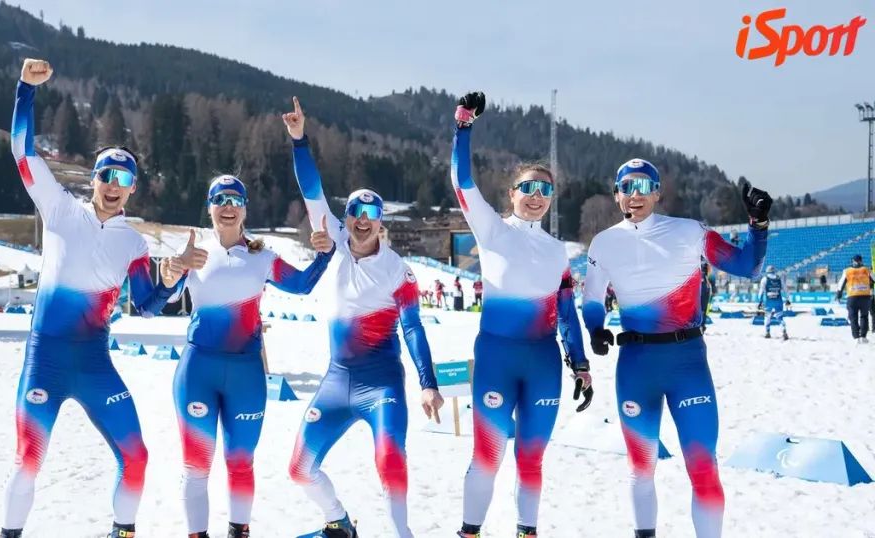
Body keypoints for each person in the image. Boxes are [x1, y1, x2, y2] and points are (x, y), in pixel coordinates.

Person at [1, 59, 176, 538]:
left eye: (124, 179)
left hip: (96, 364)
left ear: (133, 188)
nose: (114, 187)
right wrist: (25, 90)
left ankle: (123, 532)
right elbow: (21, 150)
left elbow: (148, 305)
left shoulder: (134, 243)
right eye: (107, 176)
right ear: (93, 179)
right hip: (46, 361)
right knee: (28, 460)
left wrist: (172, 278)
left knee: (136, 456)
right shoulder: (59, 208)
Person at [282, 96, 444, 538]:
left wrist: (428, 383)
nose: (362, 220)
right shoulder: (333, 241)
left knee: (389, 461)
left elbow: (412, 327)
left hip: (382, 383)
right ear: (347, 217)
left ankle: (401, 534)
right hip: (337, 381)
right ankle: (339, 523)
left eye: (372, 213)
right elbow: (311, 189)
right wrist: (299, 140)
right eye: (356, 211)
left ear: (380, 221)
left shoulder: (397, 269)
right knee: (299, 468)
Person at [582, 159, 771, 538]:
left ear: (657, 193)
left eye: (643, 186)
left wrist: (758, 225)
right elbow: (592, 298)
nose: (635, 195)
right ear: (616, 194)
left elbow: (748, 266)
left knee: (703, 467)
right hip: (636, 367)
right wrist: (595, 328)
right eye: (627, 187)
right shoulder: (604, 243)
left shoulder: (689, 231)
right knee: (641, 468)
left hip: (688, 365)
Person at [160, 175, 335, 538]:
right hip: (198, 371)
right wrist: (170, 268)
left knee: (240, 463)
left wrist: (326, 253)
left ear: (244, 209)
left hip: (246, 375)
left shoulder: (262, 258)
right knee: (196, 466)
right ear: (209, 207)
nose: (228, 207)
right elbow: (163, 298)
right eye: (220, 199)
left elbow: (302, 284)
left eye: (235, 200)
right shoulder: (195, 254)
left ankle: (238, 533)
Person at [448, 92, 591, 538]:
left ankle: (526, 532)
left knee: (531, 460)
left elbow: (565, 312)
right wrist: (463, 125)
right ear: (512, 194)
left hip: (543, 364)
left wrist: (581, 363)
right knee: (487, 456)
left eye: (545, 190)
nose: (536, 196)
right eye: (527, 187)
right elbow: (460, 180)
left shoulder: (557, 252)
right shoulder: (491, 229)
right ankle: (469, 533)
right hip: (497, 359)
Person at [836, 254, 873, 344]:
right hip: (865, 297)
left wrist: (839, 294)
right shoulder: (867, 270)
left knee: (853, 318)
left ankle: (856, 337)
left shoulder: (847, 271)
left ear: (853, 261)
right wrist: (870, 285)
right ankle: (863, 337)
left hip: (852, 297)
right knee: (864, 316)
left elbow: (841, 284)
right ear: (861, 261)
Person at [757, 265, 788, 340]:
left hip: (768, 301)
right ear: (774, 271)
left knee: (767, 317)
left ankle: (767, 332)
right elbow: (785, 289)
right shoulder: (779, 278)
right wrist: (788, 299)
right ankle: (783, 330)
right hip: (778, 300)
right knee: (780, 317)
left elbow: (761, 292)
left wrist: (760, 301)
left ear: (767, 271)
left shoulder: (764, 279)